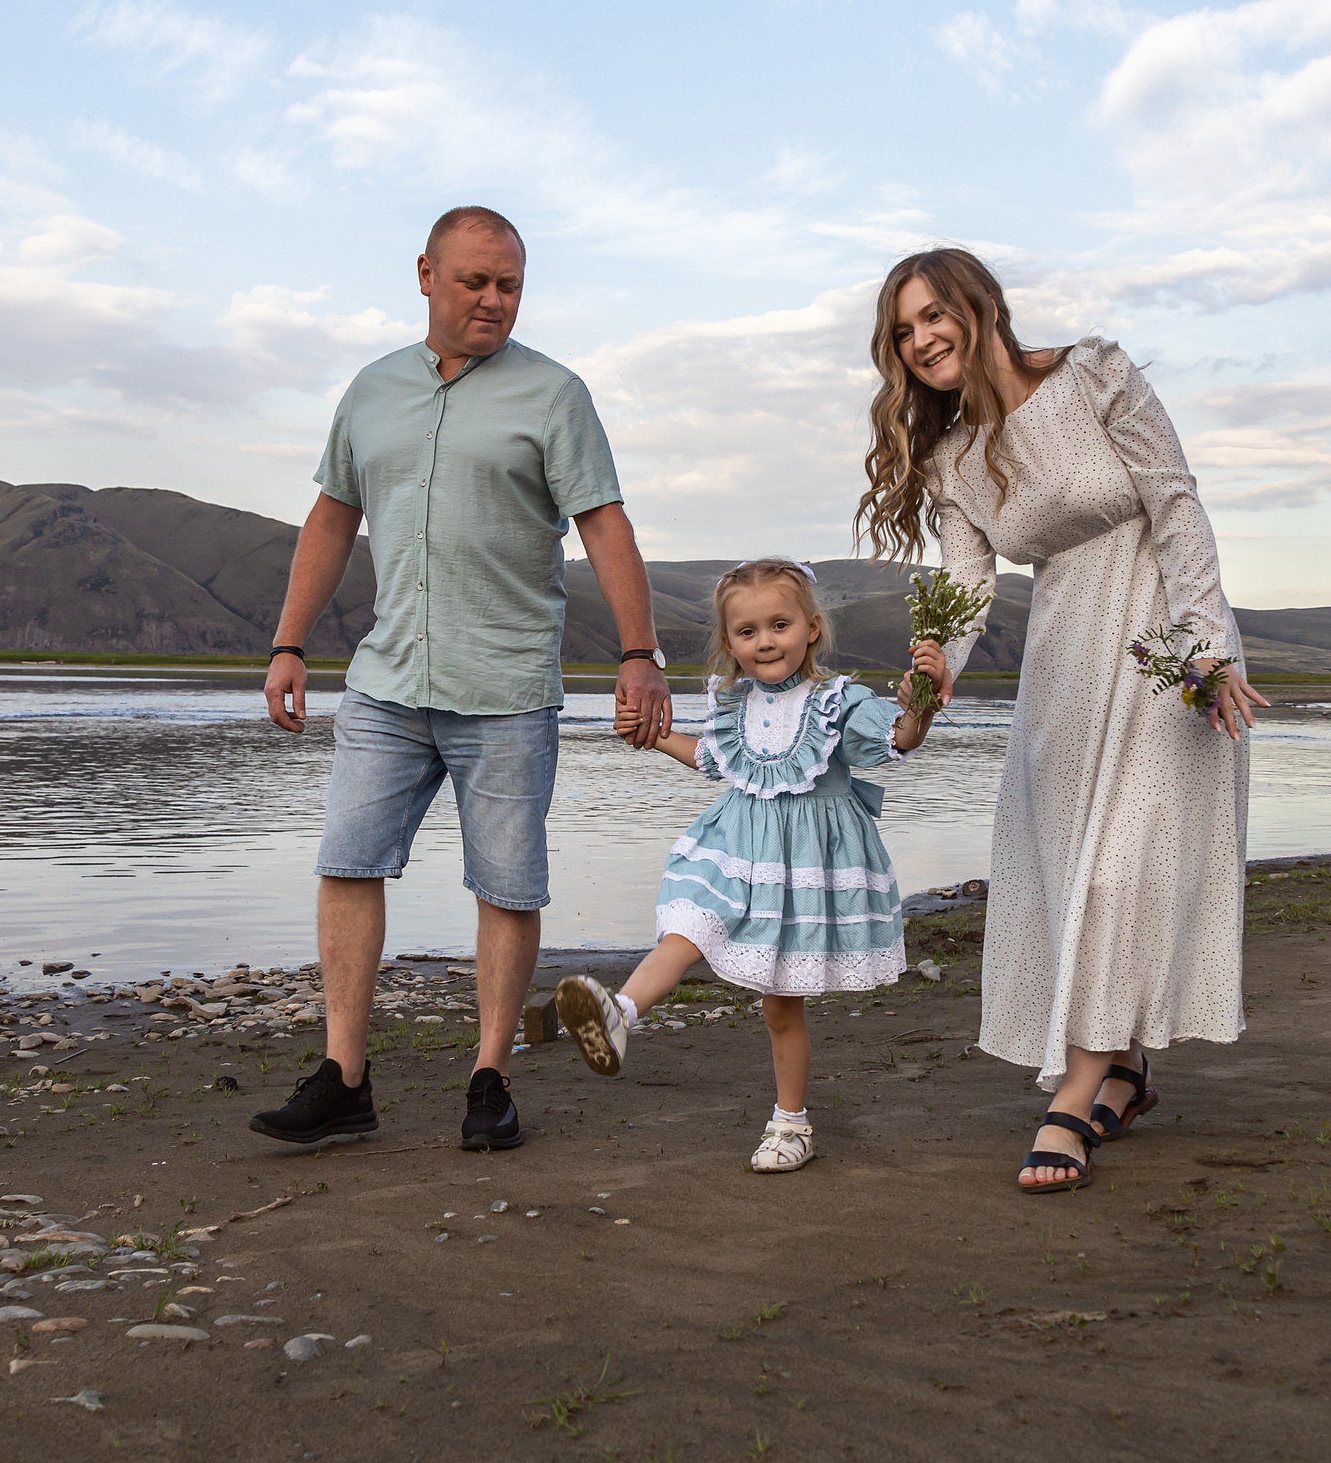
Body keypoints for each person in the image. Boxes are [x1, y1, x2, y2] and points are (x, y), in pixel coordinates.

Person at [252, 205, 674, 1152]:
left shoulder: (556, 395)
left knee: (508, 887)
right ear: (426, 275)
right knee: (347, 862)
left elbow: (605, 523)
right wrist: (289, 642)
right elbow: (331, 519)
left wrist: (639, 654)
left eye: (509, 284)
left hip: (507, 686)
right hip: (388, 679)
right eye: (475, 280)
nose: (493, 299)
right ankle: (343, 1078)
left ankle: (491, 1077)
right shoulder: (371, 390)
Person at [854, 247, 1267, 1194]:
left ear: (981, 305)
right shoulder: (954, 455)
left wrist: (1207, 644)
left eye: (932, 315)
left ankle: (1073, 1092)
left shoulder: (1095, 375)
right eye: (903, 331)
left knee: (1124, 865)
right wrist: (929, 680)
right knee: (1076, 866)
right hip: (1065, 663)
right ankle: (1124, 1067)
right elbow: (966, 587)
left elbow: (1176, 503)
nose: (921, 340)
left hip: (1164, 641)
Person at [554, 558, 940, 1173]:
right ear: (730, 642)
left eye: (779, 625)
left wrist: (920, 704)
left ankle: (791, 1124)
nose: (765, 641)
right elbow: (712, 760)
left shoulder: (838, 701)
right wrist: (651, 735)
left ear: (812, 628)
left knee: (781, 1007)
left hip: (803, 866)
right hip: (735, 849)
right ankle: (620, 1014)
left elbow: (900, 740)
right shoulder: (735, 703)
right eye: (748, 631)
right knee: (687, 926)